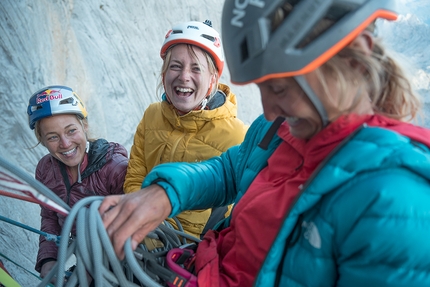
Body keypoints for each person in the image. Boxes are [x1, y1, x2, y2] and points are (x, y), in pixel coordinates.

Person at [100, 0, 430, 286]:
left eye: (282, 88)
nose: (269, 109)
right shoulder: (280, 128)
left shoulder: (394, 206)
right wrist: (166, 193)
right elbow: (231, 170)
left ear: (355, 65)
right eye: (262, 87)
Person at [123, 19, 247, 239]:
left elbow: (232, 214)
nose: (184, 76)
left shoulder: (237, 135)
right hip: (143, 234)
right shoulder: (152, 115)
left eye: (196, 68)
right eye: (175, 66)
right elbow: (135, 176)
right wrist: (144, 224)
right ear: (164, 73)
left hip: (190, 254)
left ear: (213, 79)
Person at [27, 85, 128, 279]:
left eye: (71, 131)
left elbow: (133, 227)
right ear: (42, 140)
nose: (65, 144)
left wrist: (90, 273)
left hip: (119, 267)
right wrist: (49, 260)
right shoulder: (45, 170)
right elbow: (50, 218)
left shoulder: (115, 168)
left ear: (85, 126)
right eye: (53, 137)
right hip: (84, 263)